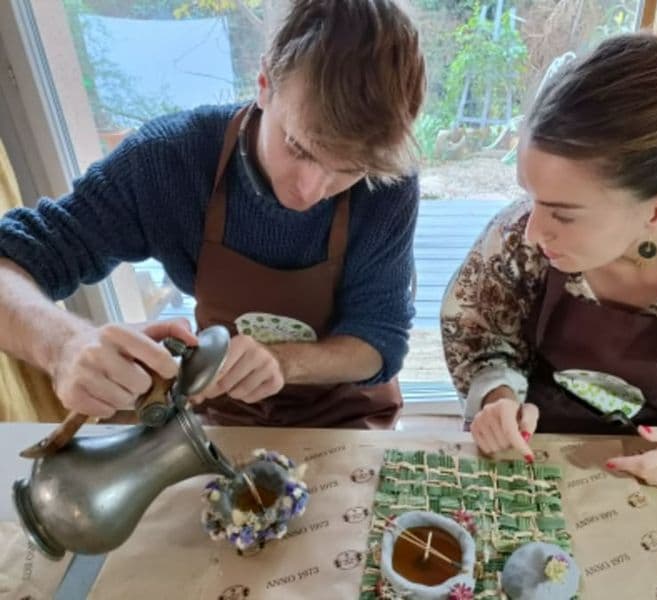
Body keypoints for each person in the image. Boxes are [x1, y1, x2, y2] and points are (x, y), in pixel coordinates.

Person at [0, 0, 426, 429]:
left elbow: (379, 338)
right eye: (298, 148)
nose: (310, 190)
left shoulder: (386, 186)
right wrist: (64, 346)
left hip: (348, 416)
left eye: (348, 170)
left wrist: (283, 362)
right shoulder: (167, 162)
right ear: (264, 84)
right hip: (225, 413)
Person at [441, 0, 657, 490]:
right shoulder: (520, 237)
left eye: (563, 213)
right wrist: (498, 397)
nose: (531, 231)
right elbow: (480, 335)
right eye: (531, 197)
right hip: (534, 474)